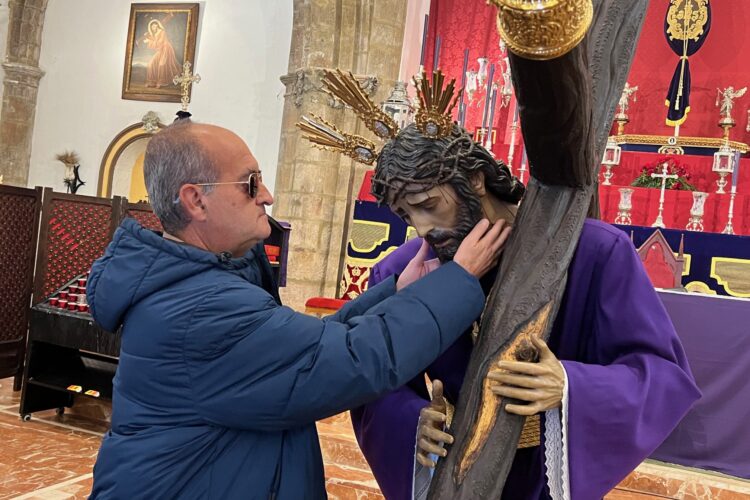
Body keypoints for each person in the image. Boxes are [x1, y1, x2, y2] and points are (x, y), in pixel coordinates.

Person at [85, 119, 511, 499]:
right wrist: (460, 279)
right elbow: (349, 359)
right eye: (250, 183)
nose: (266, 195)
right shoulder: (199, 309)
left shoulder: (202, 284)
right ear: (196, 201)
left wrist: (397, 291)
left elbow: (306, 349)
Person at [351, 124, 701, 500]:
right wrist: (410, 421)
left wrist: (569, 385)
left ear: (476, 179)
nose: (422, 229)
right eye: (406, 215)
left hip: (546, 474)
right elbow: (369, 377)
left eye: (428, 205)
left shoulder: (595, 253)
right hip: (452, 472)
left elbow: (662, 374)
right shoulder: (402, 273)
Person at [143, 19, 180, 88]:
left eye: (154, 26)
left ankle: (161, 82)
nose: (153, 28)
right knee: (151, 64)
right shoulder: (155, 33)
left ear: (157, 25)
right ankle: (152, 82)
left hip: (166, 49)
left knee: (161, 65)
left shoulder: (162, 32)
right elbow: (155, 42)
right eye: (152, 27)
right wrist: (148, 38)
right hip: (160, 50)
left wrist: (149, 41)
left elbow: (160, 43)